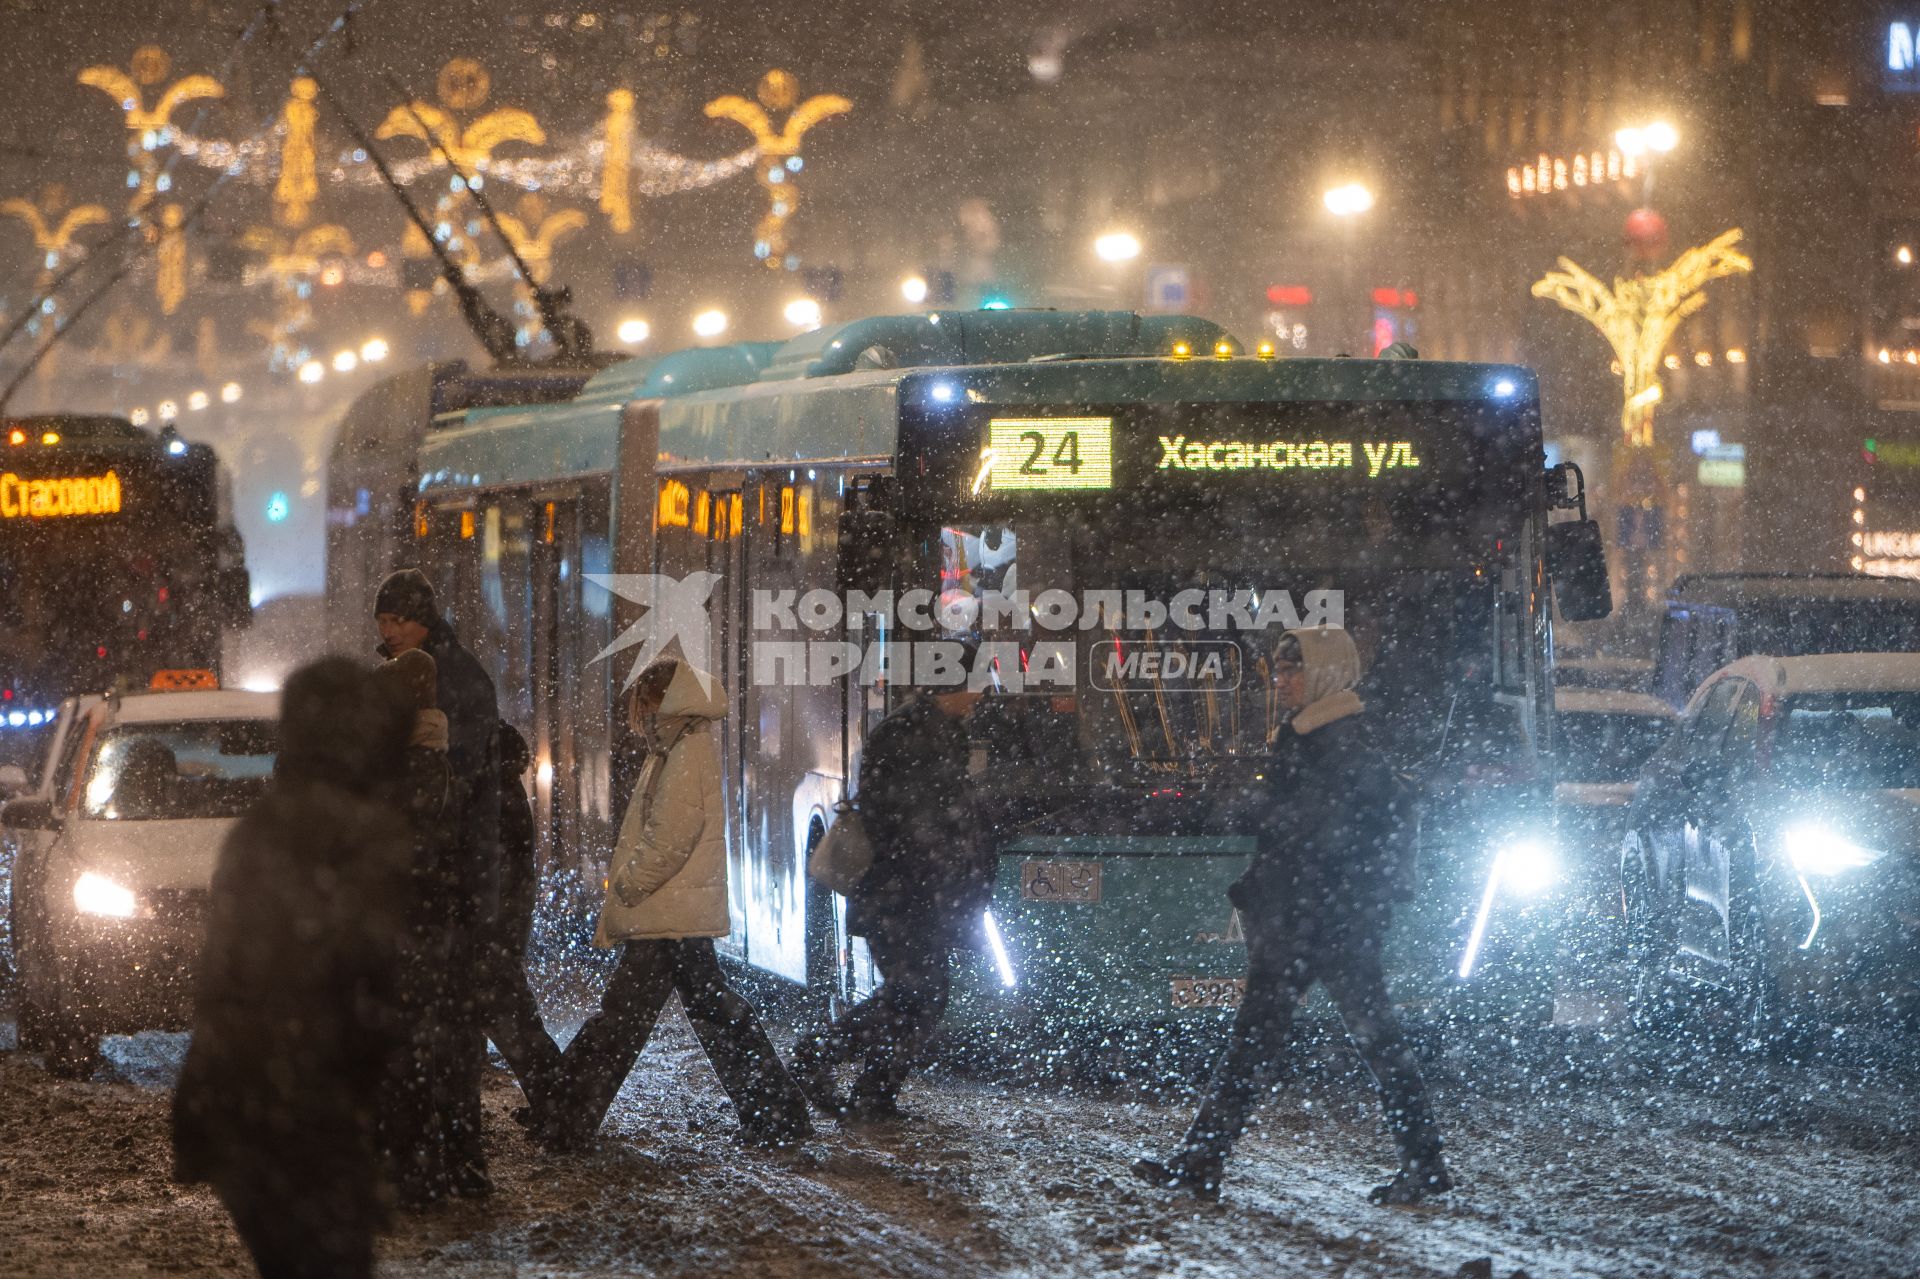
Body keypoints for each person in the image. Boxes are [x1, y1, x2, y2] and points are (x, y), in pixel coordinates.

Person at [1132, 627, 1450, 1205]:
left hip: (1314, 921)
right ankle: (1423, 1166)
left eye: (1291, 671)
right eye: (1277, 672)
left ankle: (1202, 1164)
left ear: (1325, 674)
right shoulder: (1318, 736)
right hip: (1333, 922)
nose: (1280, 682)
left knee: (1258, 1045)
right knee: (1370, 1043)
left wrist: (1245, 825)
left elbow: (1309, 836)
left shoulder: (1333, 743)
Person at [172, 658, 415, 1279]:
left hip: (241, 1101)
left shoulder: (259, 830)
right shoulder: (364, 832)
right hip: (314, 1101)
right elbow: (375, 979)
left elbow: (222, 976)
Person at [533, 659, 812, 1151]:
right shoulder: (679, 745)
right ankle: (775, 1112)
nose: (636, 716)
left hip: (668, 911)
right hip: (676, 912)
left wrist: (627, 885)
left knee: (625, 1018)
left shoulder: (684, 751)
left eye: (641, 704)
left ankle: (562, 1114)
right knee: (692, 1009)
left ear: (661, 702)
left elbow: (671, 836)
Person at [790, 660, 990, 1122]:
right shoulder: (913, 735)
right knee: (918, 993)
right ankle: (822, 1059)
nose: (979, 700)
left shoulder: (931, 730)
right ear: (952, 688)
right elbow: (912, 821)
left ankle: (871, 1092)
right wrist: (943, 872)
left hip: (914, 894)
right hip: (902, 894)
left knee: (918, 994)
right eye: (975, 689)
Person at [373, 567, 502, 1196]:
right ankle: (460, 1164)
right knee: (454, 1035)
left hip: (438, 897)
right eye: (383, 621)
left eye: (396, 620)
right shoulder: (446, 681)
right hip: (455, 892)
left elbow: (456, 798)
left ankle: (425, 1168)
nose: (388, 631)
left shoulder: (449, 692)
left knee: (426, 1037)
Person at [366, 649, 457, 1206]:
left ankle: (415, 1172)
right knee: (408, 1048)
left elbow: (406, 847)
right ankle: (415, 1168)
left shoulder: (416, 765)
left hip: (409, 923)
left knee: (403, 1048)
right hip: (414, 921)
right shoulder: (420, 761)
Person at [483, 720, 564, 1126]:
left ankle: (560, 1106)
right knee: (510, 1015)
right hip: (499, 921)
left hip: (488, 924)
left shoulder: (490, 790)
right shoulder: (503, 784)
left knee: (509, 1016)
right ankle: (559, 1104)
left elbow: (496, 866)